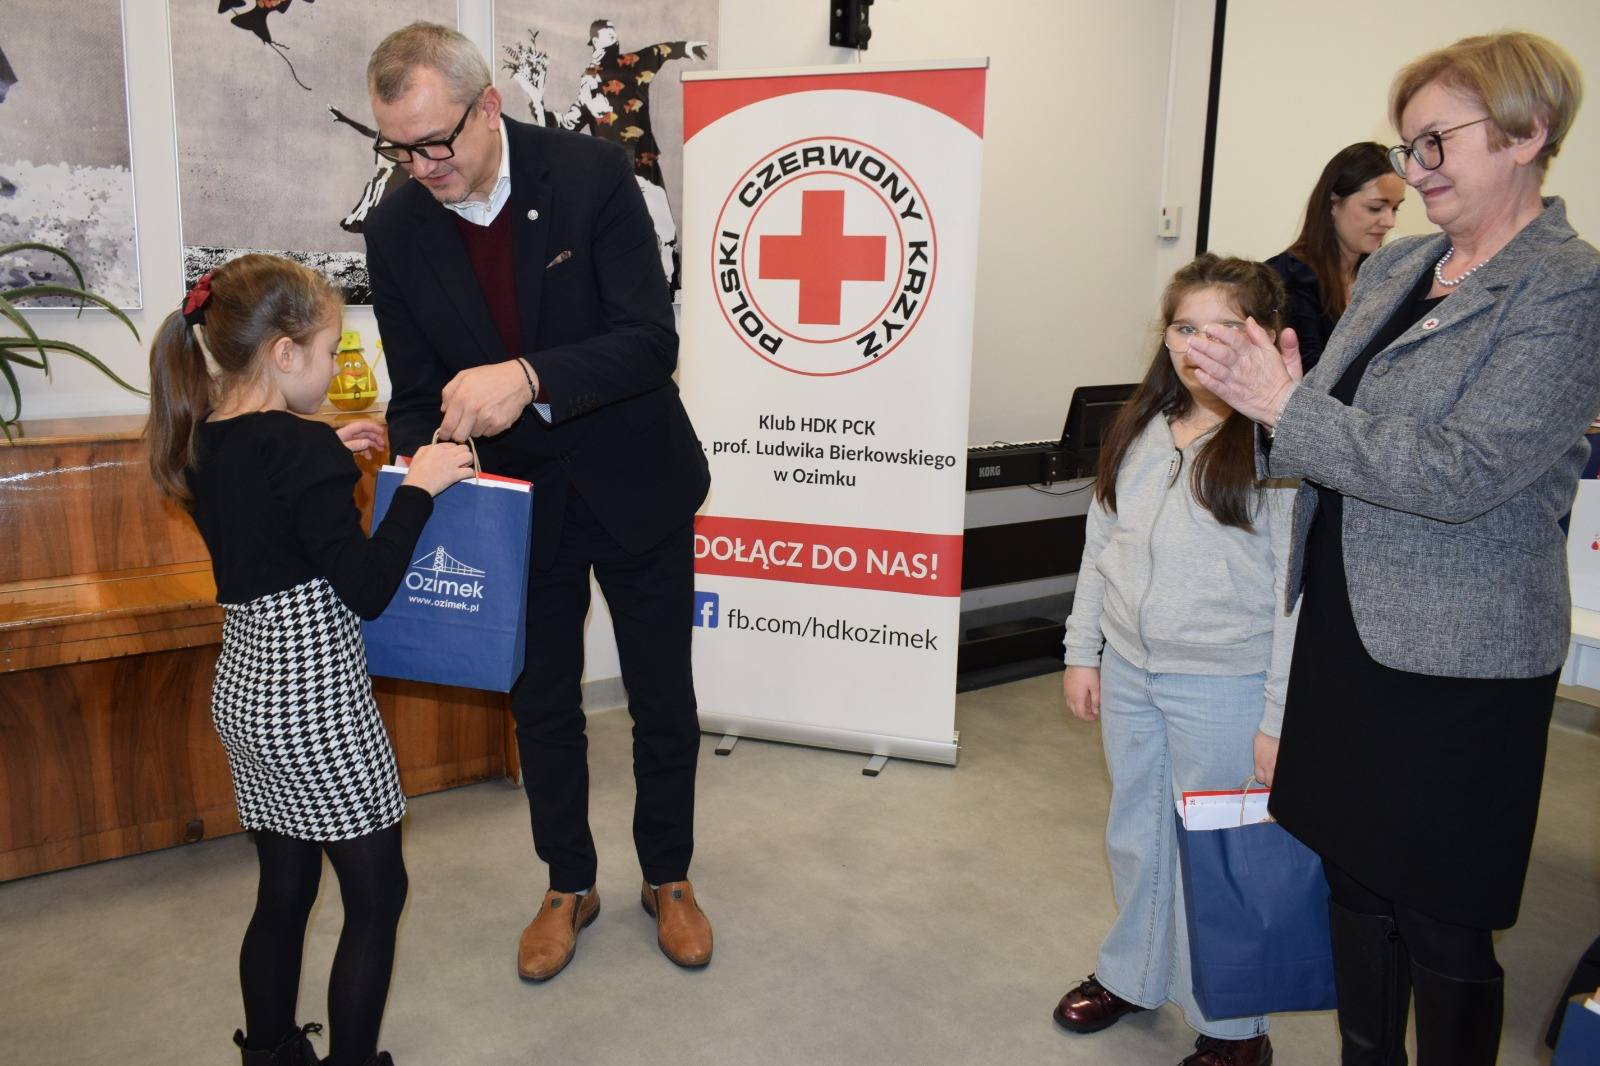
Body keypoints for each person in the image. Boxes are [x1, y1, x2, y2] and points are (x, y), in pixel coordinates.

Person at [1186, 31, 1599, 1066]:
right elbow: (1324, 425)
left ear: (1526, 133)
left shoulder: (1567, 286)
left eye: (1435, 143)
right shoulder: (1404, 265)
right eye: (1410, 147)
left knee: (1442, 917)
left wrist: (1287, 408)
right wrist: (1271, 396)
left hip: (1459, 660)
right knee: (1354, 884)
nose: (1414, 173)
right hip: (1346, 633)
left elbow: (1465, 470)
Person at [359, 22, 714, 982]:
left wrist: (527, 376)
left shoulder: (592, 175)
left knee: (661, 697)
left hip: (635, 478)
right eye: (400, 149)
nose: (422, 167)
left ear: (487, 106)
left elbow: (649, 341)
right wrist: (419, 465)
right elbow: (415, 389)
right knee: (543, 705)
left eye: (437, 142)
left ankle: (669, 876)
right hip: (513, 506)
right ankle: (569, 884)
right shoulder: (394, 228)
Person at [144, 253, 474, 1066]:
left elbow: (271, 495)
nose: (335, 370)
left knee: (285, 889)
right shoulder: (301, 452)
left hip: (247, 694)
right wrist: (421, 487)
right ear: (284, 352)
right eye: (330, 352)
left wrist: (324, 442)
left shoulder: (203, 438)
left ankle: (270, 1051)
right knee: (377, 893)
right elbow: (367, 587)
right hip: (315, 700)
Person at [1054, 254, 1298, 1066]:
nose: (1199, 346)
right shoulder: (1142, 429)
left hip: (1226, 684)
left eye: (1222, 328)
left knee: (1219, 857)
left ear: (1261, 337)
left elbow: (1292, 597)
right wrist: (1082, 650)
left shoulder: (1277, 447)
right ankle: (1134, 973)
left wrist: (1276, 717)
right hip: (1130, 670)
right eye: (1185, 327)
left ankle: (1234, 1028)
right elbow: (1101, 545)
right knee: (1136, 831)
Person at [1266, 143, 1406, 371]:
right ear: (1333, 203)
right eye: (1375, 208)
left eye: (1395, 208)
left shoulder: (1384, 280)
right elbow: (1311, 375)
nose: (1390, 222)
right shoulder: (1287, 278)